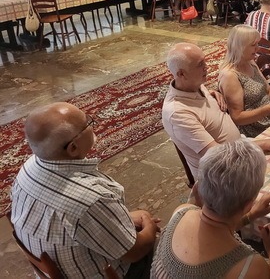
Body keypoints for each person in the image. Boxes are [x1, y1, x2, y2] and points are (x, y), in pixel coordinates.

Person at [11, 102, 160, 278]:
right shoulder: (90, 199)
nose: (93, 125)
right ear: (73, 147)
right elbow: (134, 252)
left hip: (65, 266)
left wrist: (120, 220)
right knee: (172, 248)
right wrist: (147, 220)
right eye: (88, 124)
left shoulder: (28, 168)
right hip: (107, 273)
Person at [151, 139, 270, 279]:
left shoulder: (182, 212)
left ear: (199, 188)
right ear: (248, 205)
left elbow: (216, 227)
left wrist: (252, 214)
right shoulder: (249, 267)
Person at [162, 43, 270, 177]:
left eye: (204, 61)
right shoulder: (177, 113)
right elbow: (216, 154)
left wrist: (214, 92)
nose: (206, 67)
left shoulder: (195, 86)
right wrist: (263, 144)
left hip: (239, 151)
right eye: (200, 64)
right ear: (181, 74)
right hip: (222, 176)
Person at [218, 25, 270, 137]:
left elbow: (268, 90)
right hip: (256, 126)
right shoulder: (230, 76)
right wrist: (268, 110)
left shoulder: (250, 62)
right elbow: (237, 118)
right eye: (253, 45)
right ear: (240, 47)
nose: (257, 48)